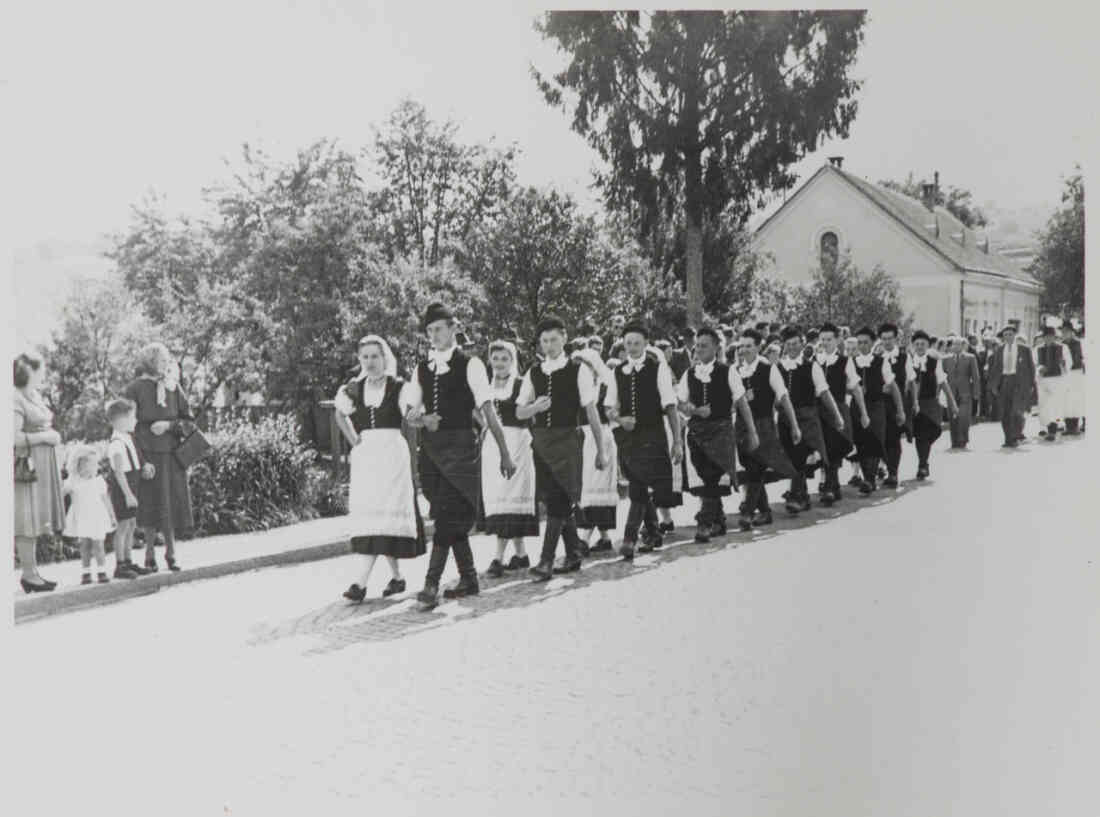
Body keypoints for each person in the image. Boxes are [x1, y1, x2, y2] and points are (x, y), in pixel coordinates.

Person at [407, 303, 517, 609]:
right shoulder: (420, 369)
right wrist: (422, 419)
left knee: (445, 517)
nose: (433, 336)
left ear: (453, 328)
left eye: (438, 329)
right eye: (429, 331)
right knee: (448, 516)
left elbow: (487, 410)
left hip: (462, 450)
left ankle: (431, 585)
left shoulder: (471, 365)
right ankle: (469, 577)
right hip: (431, 452)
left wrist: (505, 453)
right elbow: (410, 416)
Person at [333, 335, 427, 602]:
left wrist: (417, 416)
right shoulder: (353, 388)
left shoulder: (398, 387)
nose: (370, 362)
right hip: (366, 457)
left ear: (385, 358)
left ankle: (359, 584)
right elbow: (340, 414)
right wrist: (355, 441)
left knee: (386, 516)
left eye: (375, 356)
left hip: (392, 455)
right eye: (365, 357)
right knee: (374, 517)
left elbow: (411, 413)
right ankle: (396, 578)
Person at [516, 316, 605, 581]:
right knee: (559, 499)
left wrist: (602, 449)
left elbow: (591, 412)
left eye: (554, 339)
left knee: (559, 500)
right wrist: (535, 408)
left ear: (565, 338)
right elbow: (519, 411)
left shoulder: (578, 371)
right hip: (542, 443)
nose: (549, 345)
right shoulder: (534, 372)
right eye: (544, 341)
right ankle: (575, 552)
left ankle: (546, 561)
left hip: (568, 440)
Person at [605, 320, 683, 560]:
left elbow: (670, 405)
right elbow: (609, 407)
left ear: (646, 344)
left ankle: (629, 538)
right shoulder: (617, 371)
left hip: (652, 433)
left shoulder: (657, 367)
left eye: (637, 342)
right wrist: (620, 418)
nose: (632, 347)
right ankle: (653, 532)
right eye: (628, 342)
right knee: (638, 483)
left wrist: (677, 440)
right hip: (628, 437)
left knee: (639, 486)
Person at [677, 326, 758, 542]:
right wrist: (694, 410)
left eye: (704, 345)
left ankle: (704, 522)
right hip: (696, 434)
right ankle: (718, 520)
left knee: (714, 475)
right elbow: (679, 404)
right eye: (697, 345)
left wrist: (752, 432)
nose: (699, 349)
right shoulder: (689, 374)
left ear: (715, 348)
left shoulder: (727, 371)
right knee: (706, 476)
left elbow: (741, 403)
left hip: (721, 430)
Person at [124, 343, 195, 573]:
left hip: (172, 455)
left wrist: (169, 425)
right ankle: (149, 554)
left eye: (167, 359)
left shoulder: (174, 388)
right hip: (147, 454)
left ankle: (171, 553)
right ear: (151, 361)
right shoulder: (134, 388)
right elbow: (127, 427)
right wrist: (140, 460)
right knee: (151, 504)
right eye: (162, 359)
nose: (166, 363)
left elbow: (189, 422)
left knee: (170, 504)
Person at [476, 340, 538, 577]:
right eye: (495, 359)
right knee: (499, 497)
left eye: (504, 359)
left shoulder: (522, 384)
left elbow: (529, 413)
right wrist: (484, 425)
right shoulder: (485, 386)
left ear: (513, 361)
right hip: (493, 445)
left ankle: (497, 557)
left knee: (511, 496)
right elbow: (476, 408)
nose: (499, 364)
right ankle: (521, 555)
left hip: (518, 443)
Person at [735, 329, 800, 528]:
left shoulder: (768, 369)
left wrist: (795, 425)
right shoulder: (735, 371)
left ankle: (748, 511)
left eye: (749, 346)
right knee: (751, 467)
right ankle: (764, 511)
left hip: (763, 424)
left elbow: (783, 396)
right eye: (742, 346)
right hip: (741, 426)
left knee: (757, 467)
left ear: (758, 347)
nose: (744, 350)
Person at [777, 327, 841, 512]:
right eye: (788, 344)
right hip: (784, 418)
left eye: (795, 343)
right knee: (791, 455)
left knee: (800, 454)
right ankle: (802, 494)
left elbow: (824, 392)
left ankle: (797, 495)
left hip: (807, 417)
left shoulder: (811, 366)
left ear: (802, 344)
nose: (792, 347)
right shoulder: (778, 367)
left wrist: (836, 415)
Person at [13, 353, 62, 593]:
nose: (43, 373)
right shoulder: (13, 397)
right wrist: (45, 437)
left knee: (33, 520)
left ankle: (32, 573)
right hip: (25, 467)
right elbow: (12, 437)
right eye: (40, 369)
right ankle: (29, 575)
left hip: (39, 465)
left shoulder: (33, 395)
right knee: (26, 520)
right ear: (30, 370)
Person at [851, 326, 905, 493]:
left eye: (866, 342)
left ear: (873, 342)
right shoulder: (850, 362)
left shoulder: (881, 362)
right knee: (860, 441)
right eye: (859, 342)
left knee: (875, 440)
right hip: (857, 407)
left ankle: (869, 479)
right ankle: (868, 476)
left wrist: (900, 410)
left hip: (876, 406)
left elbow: (893, 387)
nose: (862, 346)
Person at [816, 323, 865, 505]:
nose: (826, 343)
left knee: (835, 446)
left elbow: (855, 387)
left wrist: (864, 413)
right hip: (819, 409)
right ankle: (833, 485)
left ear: (837, 340)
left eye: (829, 339)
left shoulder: (845, 361)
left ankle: (830, 486)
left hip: (838, 408)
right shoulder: (815, 360)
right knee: (824, 448)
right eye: (823, 340)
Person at [578, 336, 619, 554]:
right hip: (584, 438)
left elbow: (611, 413)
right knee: (590, 487)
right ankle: (604, 537)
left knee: (598, 486)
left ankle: (584, 538)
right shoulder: (580, 386)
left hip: (600, 436)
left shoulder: (605, 386)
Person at [105, 398, 154, 579]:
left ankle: (128, 560)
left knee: (131, 524)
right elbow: (119, 473)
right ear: (120, 420)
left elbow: (133, 463)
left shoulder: (128, 438)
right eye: (132, 417)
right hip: (123, 490)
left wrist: (144, 469)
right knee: (123, 526)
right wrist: (128, 495)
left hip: (133, 486)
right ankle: (120, 565)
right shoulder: (117, 443)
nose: (135, 421)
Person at [906, 330, 958, 479]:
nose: (920, 346)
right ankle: (923, 465)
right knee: (921, 435)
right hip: (915, 403)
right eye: (917, 344)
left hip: (931, 403)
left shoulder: (934, 362)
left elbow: (943, 382)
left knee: (934, 431)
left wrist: (952, 403)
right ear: (913, 345)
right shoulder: (908, 361)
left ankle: (923, 462)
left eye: (923, 344)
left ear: (928, 345)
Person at [63, 445, 117, 585]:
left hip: (97, 516)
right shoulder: (73, 481)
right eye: (92, 464)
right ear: (81, 465)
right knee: (85, 545)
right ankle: (85, 573)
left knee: (98, 544)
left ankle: (101, 571)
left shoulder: (99, 481)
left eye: (96, 464)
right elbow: (61, 494)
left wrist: (112, 516)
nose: (96, 468)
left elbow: (106, 499)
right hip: (82, 517)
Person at [987, 324, 1037, 448]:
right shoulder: (999, 349)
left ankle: (1015, 435)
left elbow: (1031, 368)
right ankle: (1008, 438)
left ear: (1015, 335)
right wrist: (994, 385)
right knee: (1005, 412)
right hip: (1004, 381)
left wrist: (1031, 385)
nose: (1008, 337)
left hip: (1019, 382)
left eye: (1010, 334)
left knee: (1016, 411)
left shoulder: (1024, 349)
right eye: (1005, 335)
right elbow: (995, 368)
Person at [877, 323, 911, 488]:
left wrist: (907, 405)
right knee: (880, 437)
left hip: (896, 403)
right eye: (884, 339)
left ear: (896, 338)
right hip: (879, 403)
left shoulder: (905, 356)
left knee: (893, 438)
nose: (887, 342)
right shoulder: (876, 356)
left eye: (890, 338)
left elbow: (910, 380)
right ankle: (881, 465)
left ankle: (893, 472)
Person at [941, 335, 981, 449]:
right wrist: (941, 393)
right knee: (952, 417)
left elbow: (975, 376)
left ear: (963, 346)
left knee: (963, 417)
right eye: (954, 344)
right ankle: (954, 441)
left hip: (965, 392)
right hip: (951, 393)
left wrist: (976, 392)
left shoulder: (970, 358)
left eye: (958, 344)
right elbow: (942, 377)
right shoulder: (946, 359)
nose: (956, 346)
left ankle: (963, 440)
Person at [1034, 325, 1070, 441]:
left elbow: (1069, 363)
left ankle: (1053, 430)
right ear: (1043, 337)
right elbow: (1035, 364)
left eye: (1051, 336)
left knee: (1055, 405)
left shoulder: (1062, 347)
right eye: (1046, 336)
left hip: (1057, 379)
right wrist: (1039, 369)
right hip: (1043, 380)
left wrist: (1063, 364)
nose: (1048, 339)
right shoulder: (1038, 349)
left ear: (1054, 337)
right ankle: (1049, 426)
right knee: (1045, 405)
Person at [1060, 321, 1085, 434]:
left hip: (1076, 373)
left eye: (1066, 331)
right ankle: (1067, 425)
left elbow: (1078, 359)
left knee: (1075, 400)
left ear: (1071, 332)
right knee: (1065, 400)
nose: (1064, 333)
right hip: (1065, 374)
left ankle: (1074, 426)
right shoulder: (1061, 343)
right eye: (1063, 331)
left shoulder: (1077, 343)